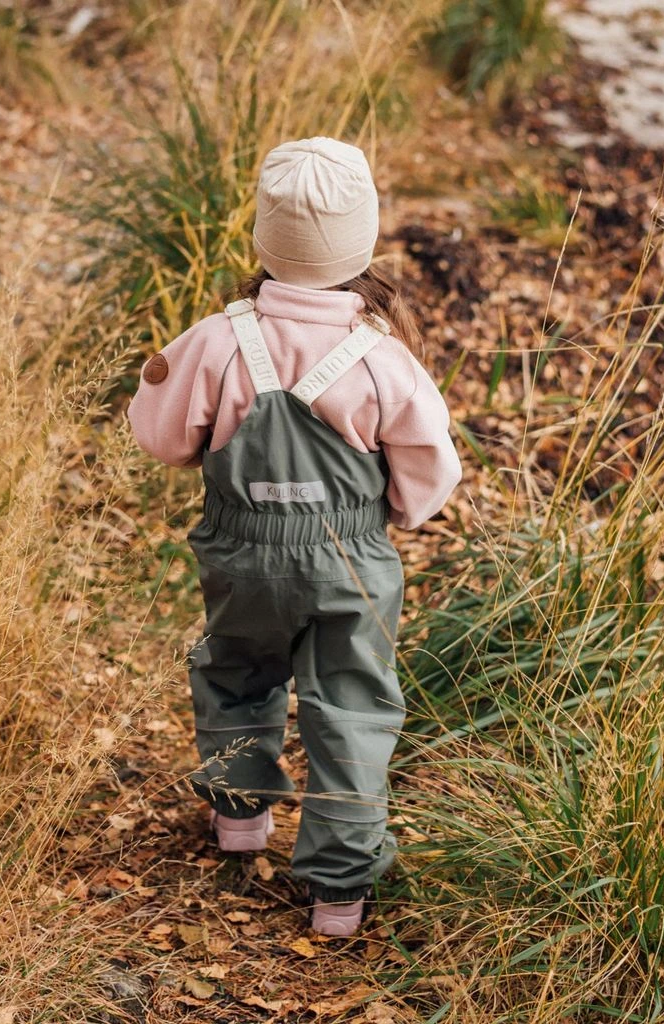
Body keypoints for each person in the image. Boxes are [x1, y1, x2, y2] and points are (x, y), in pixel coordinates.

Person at [127, 137, 462, 937]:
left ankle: (240, 820)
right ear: (365, 241)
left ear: (262, 239)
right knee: (349, 709)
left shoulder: (215, 339)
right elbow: (428, 473)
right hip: (350, 560)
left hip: (242, 551)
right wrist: (402, 512)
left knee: (236, 672)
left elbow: (162, 436)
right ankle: (338, 897)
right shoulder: (382, 360)